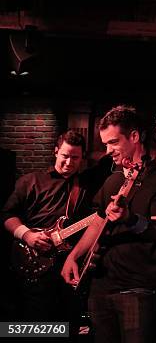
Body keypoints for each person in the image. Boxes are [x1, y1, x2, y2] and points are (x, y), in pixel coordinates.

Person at [61, 105, 156, 343]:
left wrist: (130, 219)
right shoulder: (112, 180)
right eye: (105, 144)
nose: (108, 150)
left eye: (113, 142)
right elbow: (98, 222)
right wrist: (73, 256)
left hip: (137, 288)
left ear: (135, 137)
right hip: (101, 286)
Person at [1, 130, 106, 335]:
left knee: (69, 326)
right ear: (55, 152)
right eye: (65, 155)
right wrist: (27, 235)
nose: (69, 162)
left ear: (82, 157)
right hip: (33, 264)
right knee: (36, 326)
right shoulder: (30, 181)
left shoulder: (87, 184)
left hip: (68, 266)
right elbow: (7, 214)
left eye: (75, 157)